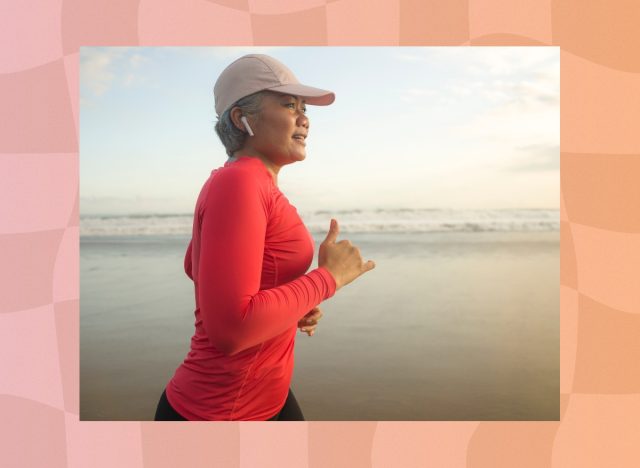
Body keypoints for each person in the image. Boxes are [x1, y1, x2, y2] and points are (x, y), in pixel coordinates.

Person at [154, 54, 375, 421]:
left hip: (266, 398)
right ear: (243, 119)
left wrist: (286, 310)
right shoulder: (239, 182)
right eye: (289, 105)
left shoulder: (246, 181)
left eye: (305, 108)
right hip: (219, 413)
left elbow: (196, 267)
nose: (304, 118)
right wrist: (327, 279)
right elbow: (231, 330)